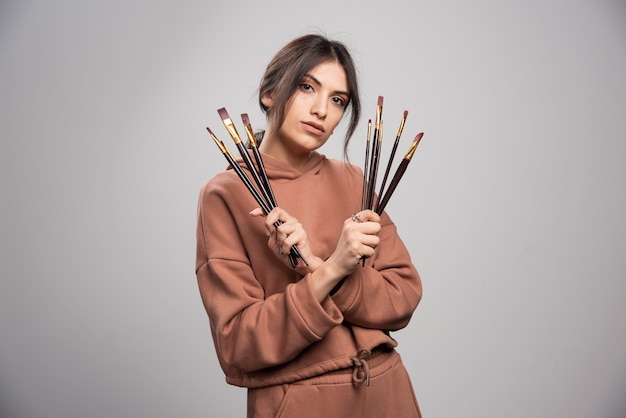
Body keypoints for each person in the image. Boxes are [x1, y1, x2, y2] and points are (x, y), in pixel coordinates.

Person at [196, 33, 423, 417]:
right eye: (307, 87)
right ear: (270, 93)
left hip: (387, 390)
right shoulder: (226, 194)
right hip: (300, 402)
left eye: (338, 100)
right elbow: (240, 343)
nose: (322, 110)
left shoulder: (353, 179)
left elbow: (401, 299)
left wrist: (324, 268)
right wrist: (333, 268)